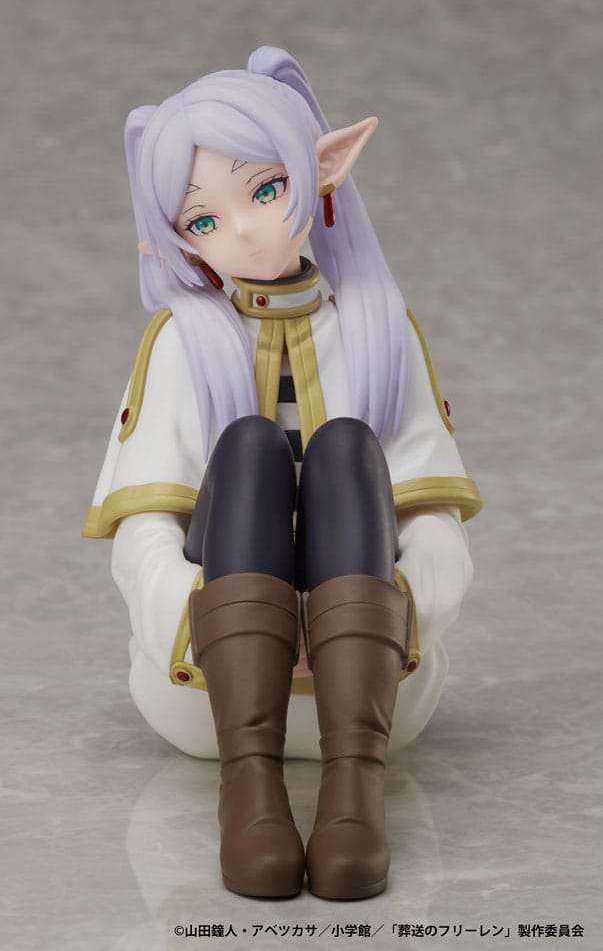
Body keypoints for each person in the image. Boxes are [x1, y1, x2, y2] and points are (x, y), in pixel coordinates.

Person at [82, 46, 482, 900]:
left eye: (265, 191)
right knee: (251, 449)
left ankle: (353, 793)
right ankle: (250, 790)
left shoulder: (380, 329)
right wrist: (199, 626)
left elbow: (432, 526)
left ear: (324, 169)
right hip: (208, 698)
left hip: (378, 697)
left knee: (342, 448)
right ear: (170, 239)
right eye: (202, 221)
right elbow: (144, 535)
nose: (244, 230)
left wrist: (398, 616)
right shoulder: (180, 344)